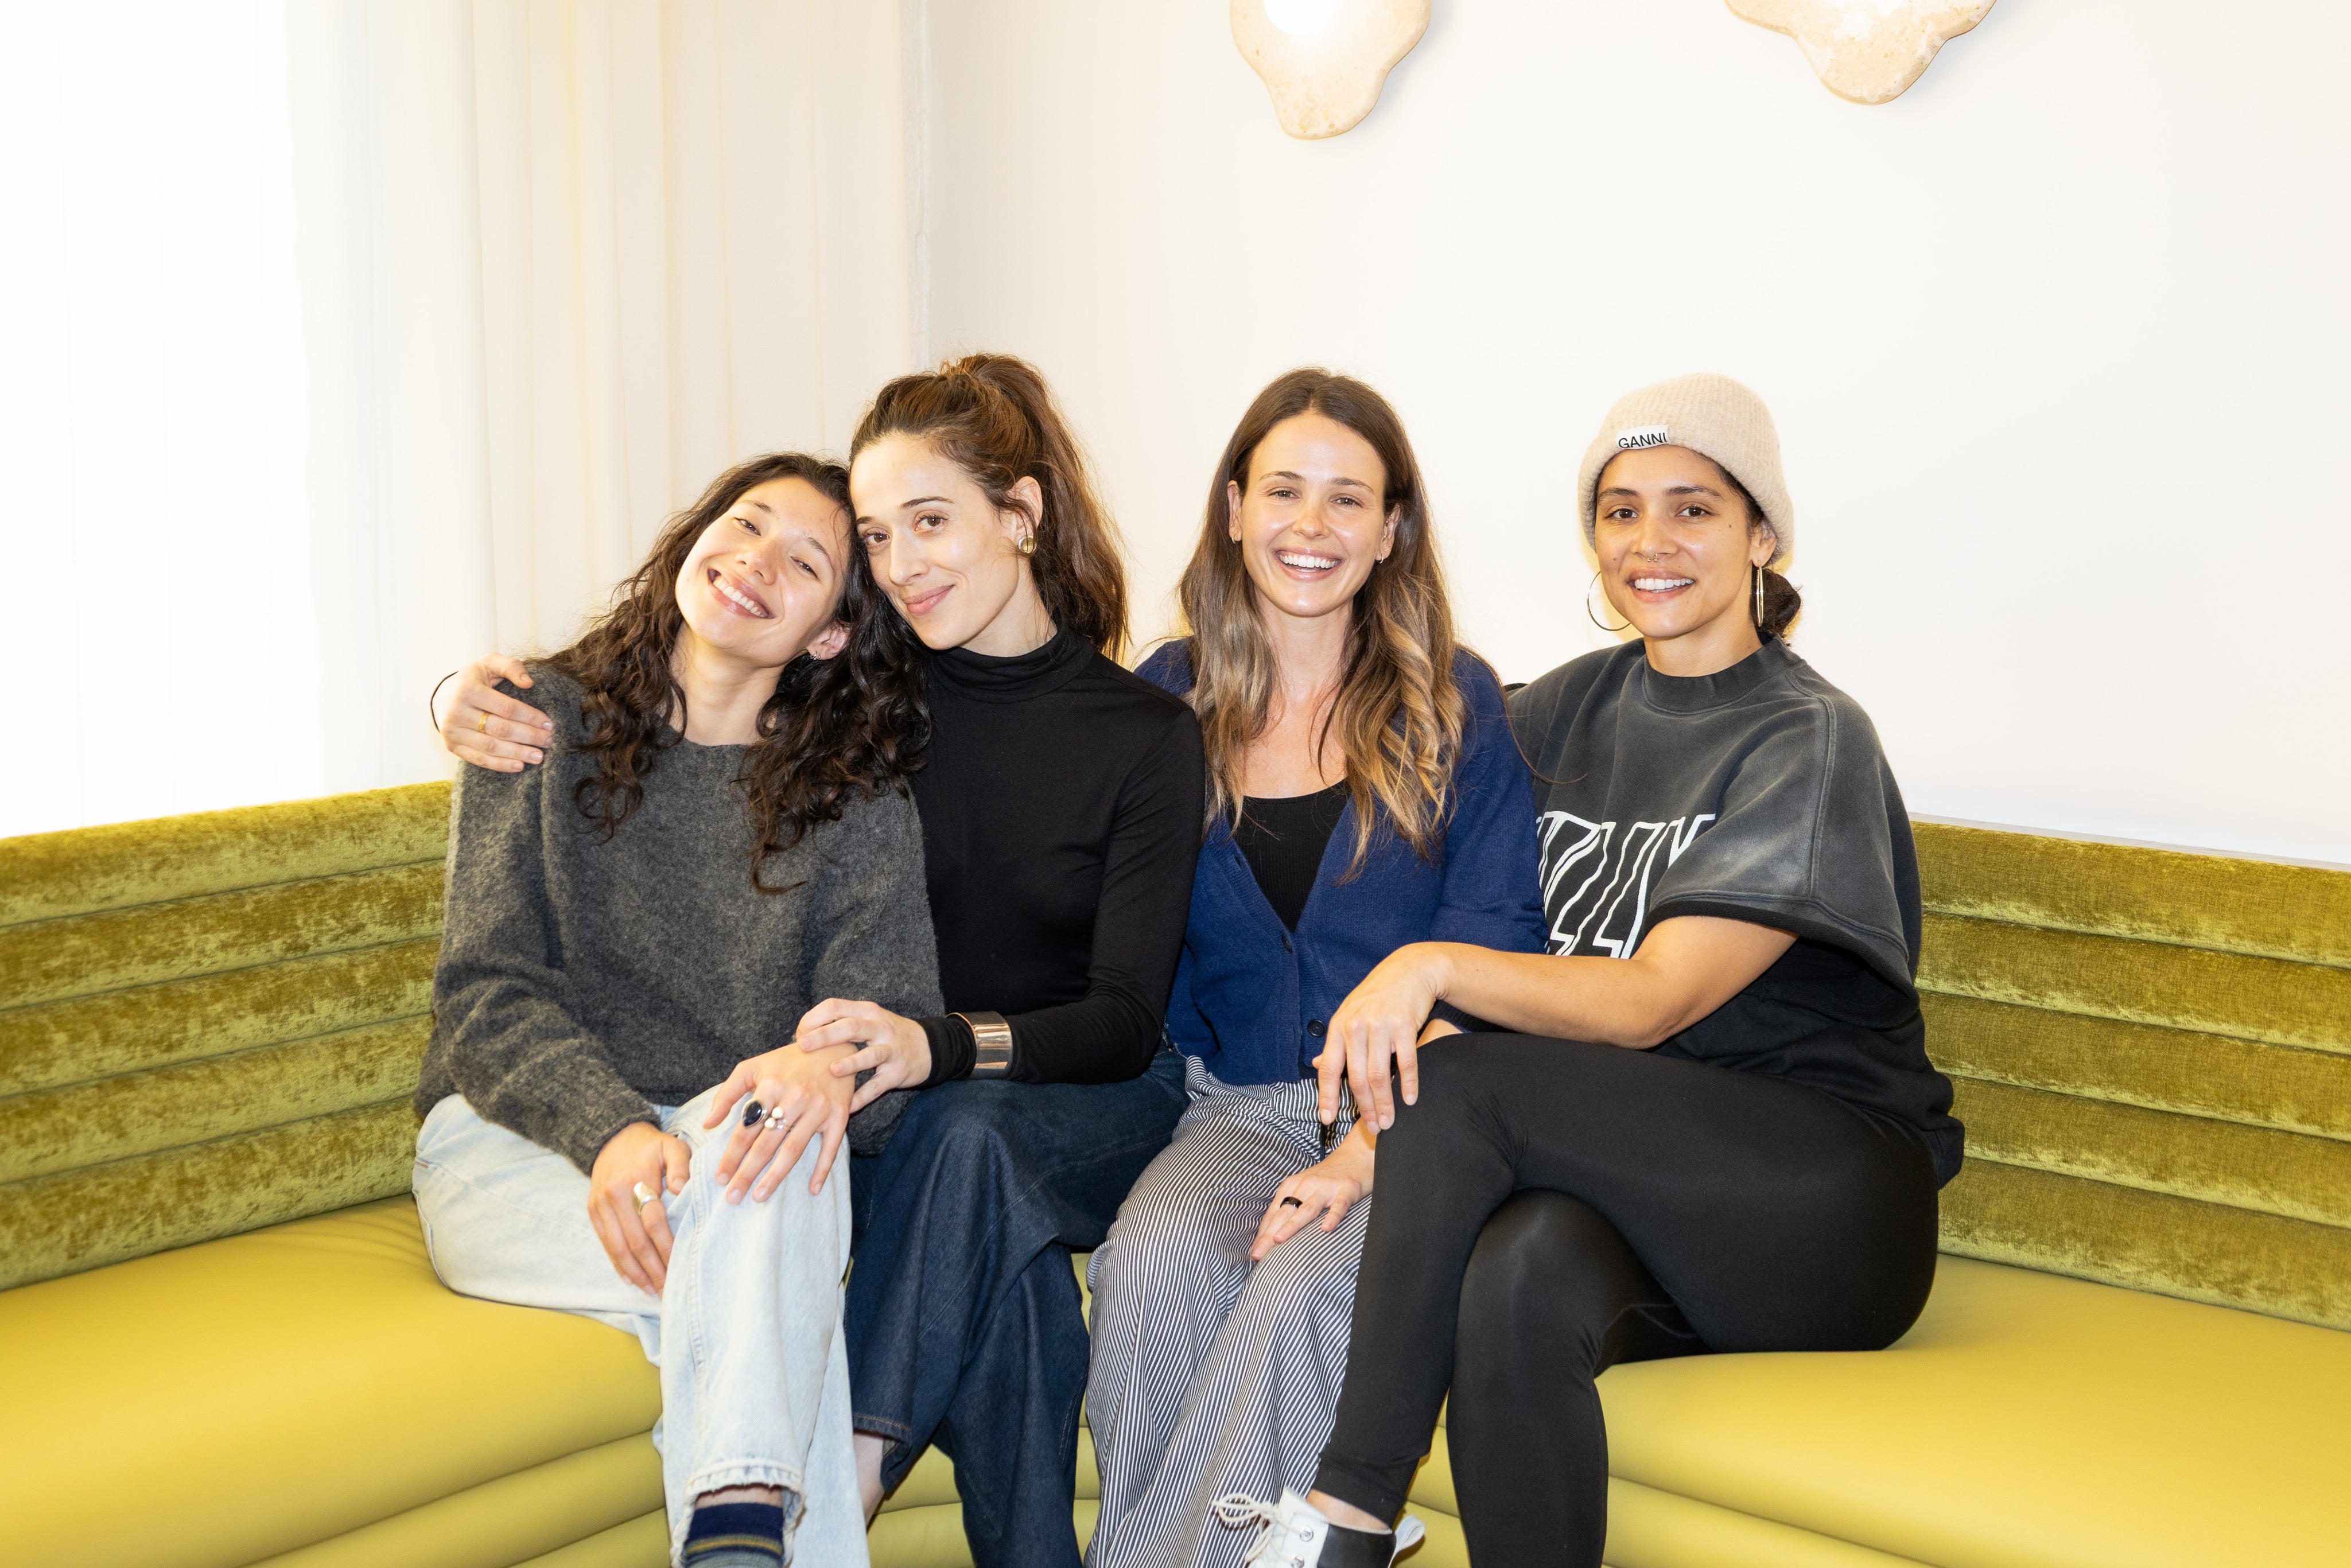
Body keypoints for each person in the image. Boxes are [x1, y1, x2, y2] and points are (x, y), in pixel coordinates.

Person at [434, 355, 1204, 1568]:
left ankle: (826, 1483)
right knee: (991, 1240)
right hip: (892, 1097)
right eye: (884, 538)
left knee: (967, 1141)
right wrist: (464, 697)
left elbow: (1122, 1016)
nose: (906, 563)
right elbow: (663, 719)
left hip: (1062, 1083)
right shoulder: (872, 712)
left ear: (1023, 512)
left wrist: (933, 1044)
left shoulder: (1144, 734)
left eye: (932, 522)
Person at [1219, 373, 1965, 1568]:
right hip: (1645, 1188)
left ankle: (1349, 1512)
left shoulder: (1806, 736)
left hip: (1826, 1201)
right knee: (1513, 1282)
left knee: (1468, 1083)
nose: (1650, 543)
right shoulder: (1559, 712)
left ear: (1761, 534)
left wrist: (1423, 969)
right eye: (1620, 511)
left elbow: (1653, 999)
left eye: (1693, 509)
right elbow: (1445, 868)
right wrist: (1365, 1148)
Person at [411, 452, 940, 1568]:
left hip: (718, 1159)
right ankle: (749, 1525)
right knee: (766, 1238)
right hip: (510, 1146)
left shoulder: (857, 804)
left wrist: (828, 1068)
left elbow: (884, 1050)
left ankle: (732, 1531)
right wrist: (613, 1131)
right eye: (742, 525)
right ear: (693, 537)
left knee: (778, 1144)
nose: (754, 560)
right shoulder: (534, 722)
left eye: (802, 562)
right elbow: (484, 990)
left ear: (831, 634)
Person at [1083, 369, 1545, 1568]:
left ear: (1392, 529)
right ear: (1233, 507)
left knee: (1295, 1296)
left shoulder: (1458, 704)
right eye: (1283, 489)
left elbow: (1497, 948)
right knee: (1148, 1264)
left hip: (1423, 1120)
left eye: (1349, 498)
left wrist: (1361, 1152)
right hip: (1232, 1107)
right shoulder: (1164, 699)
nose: (1311, 524)